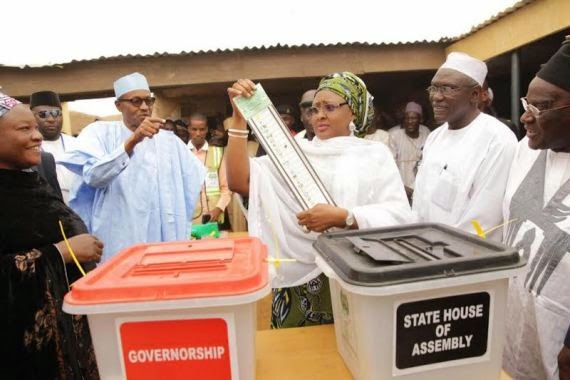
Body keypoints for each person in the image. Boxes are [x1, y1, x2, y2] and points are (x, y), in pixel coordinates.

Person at [226, 73, 412, 328]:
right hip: (302, 281)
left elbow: (399, 214)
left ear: (354, 113)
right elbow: (240, 181)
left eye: (330, 107)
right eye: (315, 109)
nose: (319, 115)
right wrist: (239, 118)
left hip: (358, 275)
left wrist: (345, 217)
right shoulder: (295, 153)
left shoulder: (375, 154)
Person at [0, 92, 101, 379]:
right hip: (24, 358)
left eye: (35, 127)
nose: (37, 136)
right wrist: (62, 253)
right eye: (24, 129)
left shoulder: (31, 177)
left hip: (72, 341)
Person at [60, 72, 205, 262]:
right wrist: (133, 141)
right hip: (118, 240)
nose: (145, 107)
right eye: (136, 101)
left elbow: (192, 183)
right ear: (119, 105)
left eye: (149, 100)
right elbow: (94, 177)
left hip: (160, 240)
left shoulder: (169, 142)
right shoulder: (100, 134)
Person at [502, 39, 570, 380]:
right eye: (527, 102)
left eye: (541, 107)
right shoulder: (525, 151)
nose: (525, 116)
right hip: (515, 320)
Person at [413, 52, 517, 239]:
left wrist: (443, 255)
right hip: (424, 251)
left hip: (467, 258)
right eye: (434, 88)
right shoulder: (435, 137)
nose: (436, 97)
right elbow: (421, 202)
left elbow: (484, 220)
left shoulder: (498, 140)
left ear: (475, 95)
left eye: (447, 88)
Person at [30, 91, 77, 204]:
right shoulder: (28, 147)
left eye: (56, 113)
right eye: (43, 114)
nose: (51, 119)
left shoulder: (78, 143)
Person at [188, 113, 232, 226]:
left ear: (207, 129)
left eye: (202, 129)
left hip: (214, 219)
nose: (198, 133)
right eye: (194, 129)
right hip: (190, 221)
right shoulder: (181, 153)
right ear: (189, 129)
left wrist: (218, 209)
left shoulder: (218, 153)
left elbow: (226, 188)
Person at [391, 101, 430, 199]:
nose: (409, 121)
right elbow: (391, 164)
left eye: (413, 118)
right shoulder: (395, 135)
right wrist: (401, 187)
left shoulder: (426, 134)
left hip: (421, 186)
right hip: (400, 187)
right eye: (407, 118)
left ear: (420, 120)